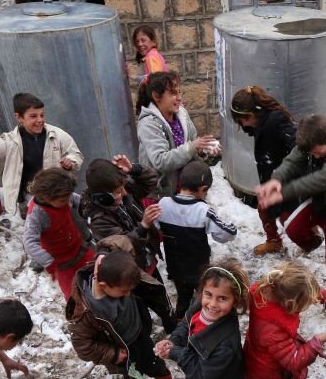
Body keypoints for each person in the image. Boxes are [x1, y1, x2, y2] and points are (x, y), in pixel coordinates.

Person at [66, 251, 184, 379]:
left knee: (156, 364)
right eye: (123, 291)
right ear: (104, 285)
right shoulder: (86, 313)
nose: (129, 294)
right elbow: (83, 346)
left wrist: (101, 255)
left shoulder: (116, 277)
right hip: (122, 353)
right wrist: (112, 354)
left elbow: (119, 243)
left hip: (140, 336)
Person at [256, 114, 326, 297]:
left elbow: (321, 180)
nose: (315, 156)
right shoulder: (314, 138)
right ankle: (314, 242)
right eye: (312, 153)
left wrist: (282, 193)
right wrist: (276, 179)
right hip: (319, 201)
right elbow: (292, 160)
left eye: (317, 152)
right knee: (293, 227)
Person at [80, 156, 176, 331]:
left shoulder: (123, 193)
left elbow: (150, 182)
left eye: (123, 187)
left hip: (148, 262)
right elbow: (121, 243)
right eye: (118, 191)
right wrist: (143, 226)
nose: (124, 193)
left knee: (161, 299)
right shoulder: (98, 219)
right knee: (139, 310)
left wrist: (134, 169)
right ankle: (145, 334)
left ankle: (171, 325)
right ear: (102, 197)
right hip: (129, 270)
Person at [157, 161, 238, 320]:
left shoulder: (163, 204)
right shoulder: (203, 211)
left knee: (183, 294)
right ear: (203, 189)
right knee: (202, 295)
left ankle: (180, 317)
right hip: (198, 270)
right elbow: (227, 234)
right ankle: (199, 320)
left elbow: (152, 225)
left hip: (175, 267)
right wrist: (231, 226)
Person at [0, 92, 84, 218]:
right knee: (36, 223)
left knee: (60, 220)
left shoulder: (57, 135)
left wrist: (70, 162)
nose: (40, 120)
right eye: (33, 116)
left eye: (42, 115)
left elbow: (75, 154)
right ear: (19, 117)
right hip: (28, 194)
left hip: (55, 193)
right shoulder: (12, 141)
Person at [230, 85, 298, 256]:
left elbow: (294, 141)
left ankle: (310, 239)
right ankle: (273, 241)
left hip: (284, 179)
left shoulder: (277, 120)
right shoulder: (261, 121)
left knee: (287, 218)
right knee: (264, 208)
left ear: (252, 115)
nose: (242, 126)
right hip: (270, 176)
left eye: (242, 120)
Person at [136, 71, 219, 201]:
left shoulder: (182, 114)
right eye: (173, 93)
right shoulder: (149, 124)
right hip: (160, 196)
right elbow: (160, 161)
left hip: (183, 191)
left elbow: (191, 144)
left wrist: (203, 149)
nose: (179, 98)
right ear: (157, 96)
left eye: (179, 92)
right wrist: (192, 147)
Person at [22, 167, 95, 301]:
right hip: (61, 263)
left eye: (68, 198)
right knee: (73, 295)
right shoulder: (37, 214)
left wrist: (90, 206)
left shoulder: (66, 197)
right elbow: (29, 242)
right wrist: (49, 262)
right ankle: (79, 316)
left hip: (80, 249)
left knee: (97, 277)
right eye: (63, 201)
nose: (68, 202)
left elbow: (80, 202)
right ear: (45, 197)